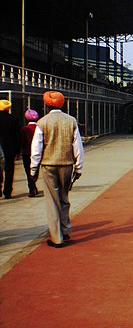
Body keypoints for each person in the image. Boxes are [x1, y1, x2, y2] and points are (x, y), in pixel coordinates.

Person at [30, 91, 84, 248]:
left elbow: (37, 148)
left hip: (48, 164)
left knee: (52, 200)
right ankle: (65, 229)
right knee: (64, 196)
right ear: (62, 104)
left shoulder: (42, 122)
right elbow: (77, 146)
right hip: (67, 164)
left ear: (47, 105)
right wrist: (79, 167)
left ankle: (56, 237)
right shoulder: (71, 121)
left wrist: (33, 170)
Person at [0, 99, 21, 199]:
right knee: (9, 171)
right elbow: (17, 136)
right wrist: (18, 150)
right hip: (10, 149)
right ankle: (7, 191)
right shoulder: (14, 119)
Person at [21, 109, 40, 197]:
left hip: (26, 153)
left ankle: (32, 188)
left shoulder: (24, 129)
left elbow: (22, 141)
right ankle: (33, 185)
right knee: (36, 170)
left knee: (28, 171)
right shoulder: (39, 128)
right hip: (38, 153)